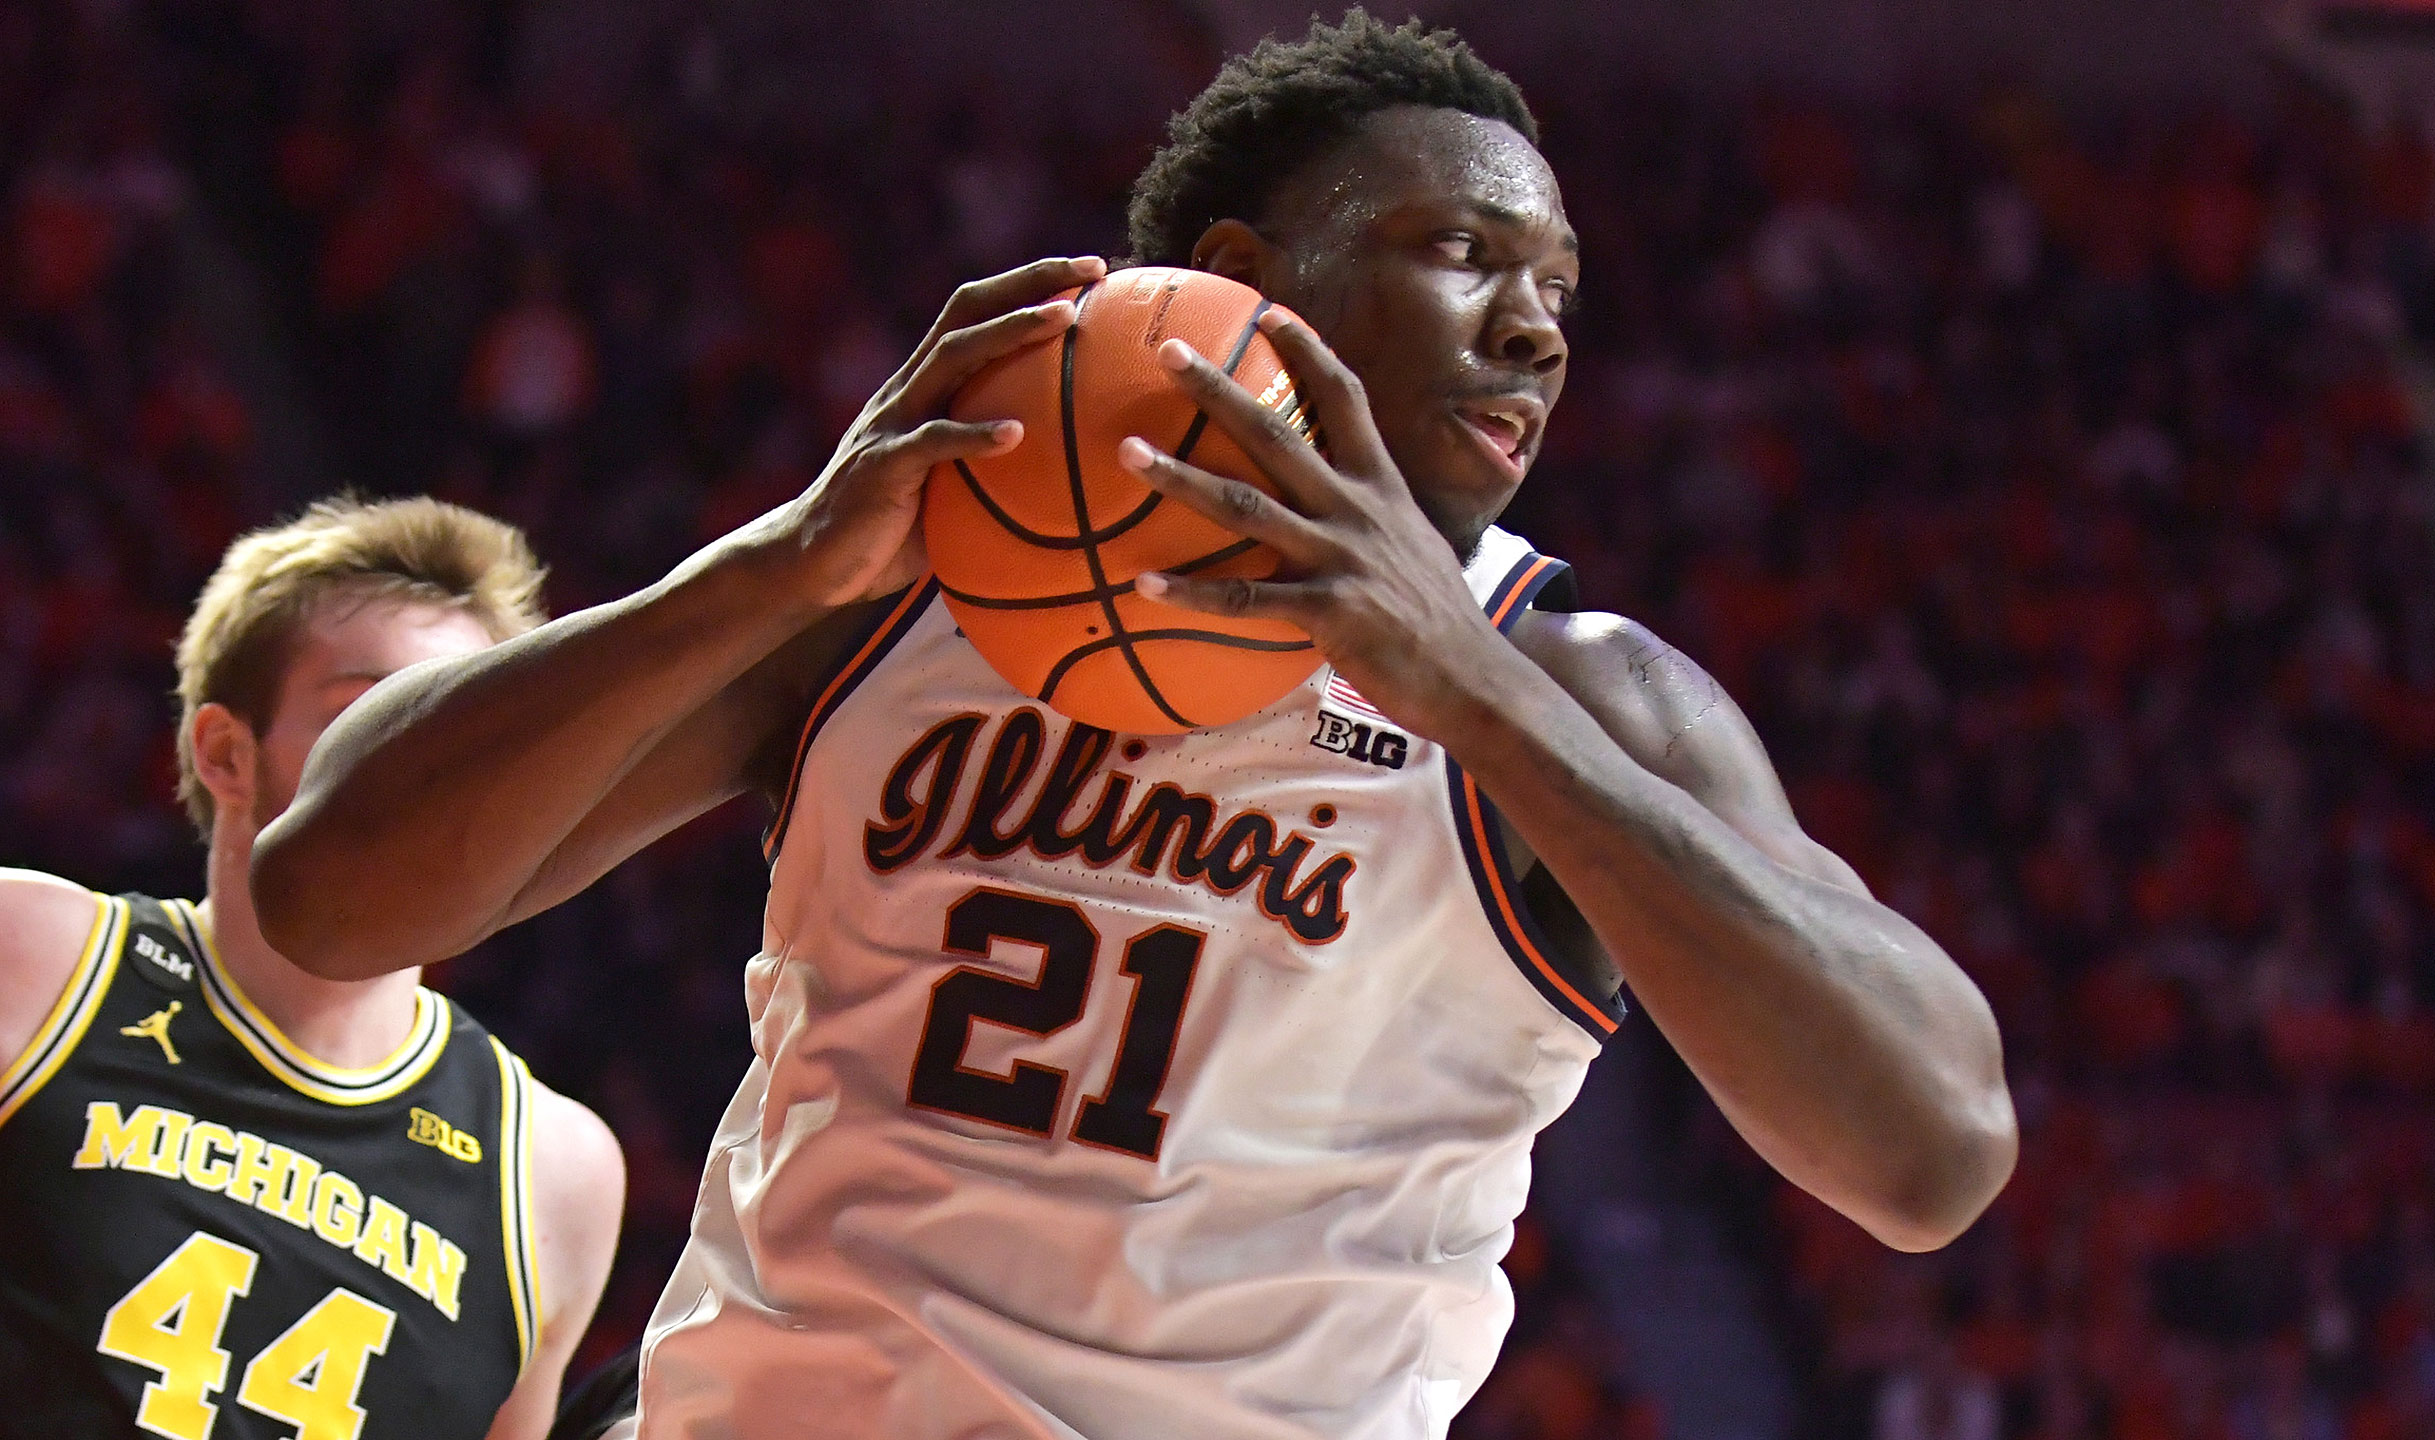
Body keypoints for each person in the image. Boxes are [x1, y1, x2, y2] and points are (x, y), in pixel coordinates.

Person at [252, 15, 2017, 1439]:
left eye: (1557, 284)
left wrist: (1464, 692)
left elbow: (1931, 1155)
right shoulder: (895, 579)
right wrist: (773, 565)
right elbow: (329, 896)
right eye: (1464, 252)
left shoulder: (1572, 686)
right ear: (1250, 275)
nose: (1535, 329)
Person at [0, 496, 624, 1439]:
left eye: (475, 731)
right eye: (377, 716)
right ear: (226, 755)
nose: (434, 768)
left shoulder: (554, 1169)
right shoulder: (35, 955)